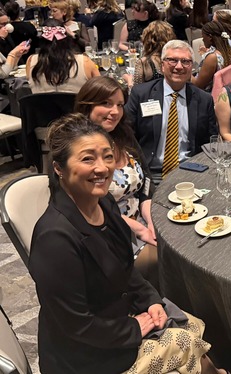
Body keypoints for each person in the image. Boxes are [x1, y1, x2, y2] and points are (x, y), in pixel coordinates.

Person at [29, 113, 231, 374]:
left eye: (107, 156)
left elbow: (126, 271)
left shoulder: (103, 203)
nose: (102, 168)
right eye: (88, 158)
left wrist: (151, 301)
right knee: (183, 339)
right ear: (59, 168)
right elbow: (75, 325)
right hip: (85, 356)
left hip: (116, 319)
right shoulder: (55, 239)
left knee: (189, 322)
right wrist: (134, 328)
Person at [74, 76, 159, 287]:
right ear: (87, 105)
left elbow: (146, 181)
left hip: (140, 221)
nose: (115, 111)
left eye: (120, 105)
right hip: (105, 233)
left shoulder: (123, 136)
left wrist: (150, 218)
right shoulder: (75, 148)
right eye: (106, 103)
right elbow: (85, 207)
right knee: (166, 257)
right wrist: (139, 230)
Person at [125, 40, 219, 180]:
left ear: (192, 67)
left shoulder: (204, 100)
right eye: (172, 60)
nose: (179, 66)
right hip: (150, 173)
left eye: (185, 61)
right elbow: (127, 134)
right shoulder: (141, 95)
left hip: (191, 172)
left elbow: (211, 141)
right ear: (162, 65)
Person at [26, 20, 100, 94]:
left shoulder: (31, 61)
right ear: (67, 39)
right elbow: (101, 90)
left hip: (41, 105)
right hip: (75, 105)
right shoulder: (85, 62)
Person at [192, 20, 231, 91]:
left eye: (203, 37)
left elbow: (198, 85)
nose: (203, 40)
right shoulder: (229, 52)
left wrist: (187, 73)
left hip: (209, 96)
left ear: (209, 37)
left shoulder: (212, 58)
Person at [130, 21, 176, 86]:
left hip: (150, 96)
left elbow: (137, 91)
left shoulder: (144, 62)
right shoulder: (177, 60)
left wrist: (129, 81)